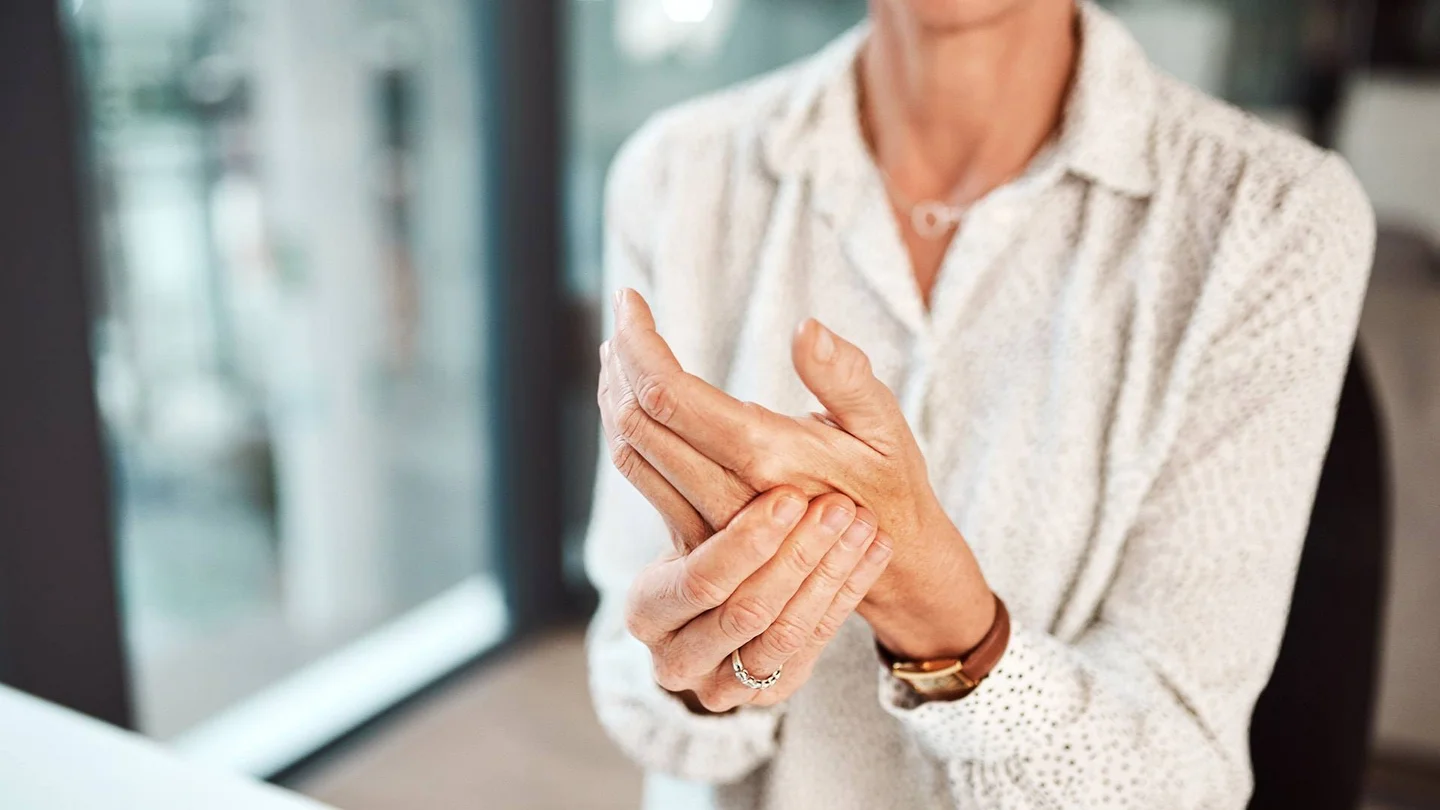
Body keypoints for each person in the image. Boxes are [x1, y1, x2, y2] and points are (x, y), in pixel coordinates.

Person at [584, 0, 1376, 807]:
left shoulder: (1273, 215)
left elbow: (1175, 777)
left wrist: (933, 605)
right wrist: (697, 667)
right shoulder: (677, 174)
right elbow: (631, 665)